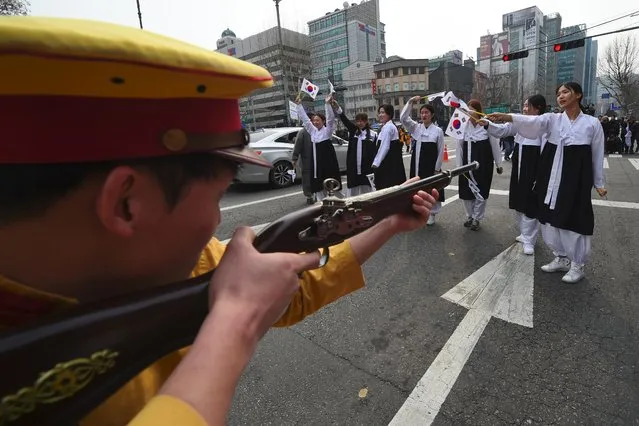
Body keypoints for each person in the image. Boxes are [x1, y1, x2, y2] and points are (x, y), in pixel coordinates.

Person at [0, 16, 439, 425]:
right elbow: (246, 300)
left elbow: (293, 285)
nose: (217, 222)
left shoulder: (167, 261)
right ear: (126, 204)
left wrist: (388, 221)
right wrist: (235, 326)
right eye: (215, 197)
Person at [487, 82, 607, 283]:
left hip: (575, 179)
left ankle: (577, 265)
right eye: (558, 93)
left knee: (573, 219)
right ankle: (560, 257)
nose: (561, 96)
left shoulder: (592, 124)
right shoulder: (553, 119)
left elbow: (597, 153)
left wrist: (599, 182)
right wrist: (508, 117)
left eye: (565, 92)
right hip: (551, 176)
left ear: (578, 95)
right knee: (548, 218)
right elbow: (532, 123)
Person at [481, 95, 547, 255]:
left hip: (534, 164)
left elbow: (546, 151)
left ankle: (530, 239)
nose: (524, 109)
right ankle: (525, 234)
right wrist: (487, 124)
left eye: (527, 106)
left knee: (531, 202)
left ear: (537, 108)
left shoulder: (544, 124)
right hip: (519, 164)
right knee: (518, 199)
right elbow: (502, 130)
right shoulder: (519, 123)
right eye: (524, 106)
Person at [457, 100, 504, 231]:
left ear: (477, 110)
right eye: (467, 109)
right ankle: (470, 216)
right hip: (466, 165)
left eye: (471, 108)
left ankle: (477, 218)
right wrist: (458, 167)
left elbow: (495, 145)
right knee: (466, 193)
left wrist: (498, 164)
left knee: (481, 192)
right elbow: (459, 147)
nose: (468, 111)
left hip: (484, 164)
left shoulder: (486, 125)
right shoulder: (462, 125)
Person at [400, 97, 446, 225]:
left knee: (432, 189)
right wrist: (410, 102)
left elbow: (440, 150)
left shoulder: (438, 131)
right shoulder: (416, 128)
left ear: (432, 115)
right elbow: (403, 118)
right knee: (417, 188)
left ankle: (432, 214)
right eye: (422, 112)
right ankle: (419, 211)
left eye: (426, 112)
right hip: (418, 164)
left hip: (431, 166)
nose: (424, 115)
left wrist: (437, 168)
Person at [294, 97, 341, 201]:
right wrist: (299, 105)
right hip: (316, 164)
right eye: (314, 120)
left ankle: (338, 202)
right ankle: (321, 204)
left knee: (331, 185)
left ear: (323, 121)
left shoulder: (327, 131)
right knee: (318, 186)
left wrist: (327, 104)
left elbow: (330, 119)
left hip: (327, 163)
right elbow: (306, 121)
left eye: (318, 120)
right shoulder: (313, 131)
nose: (315, 122)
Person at [331, 100, 378, 196]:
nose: (360, 123)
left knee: (368, 192)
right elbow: (345, 120)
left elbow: (375, 152)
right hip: (354, 168)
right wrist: (337, 107)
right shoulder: (353, 132)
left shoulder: (373, 135)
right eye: (358, 121)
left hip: (367, 168)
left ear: (366, 121)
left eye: (362, 121)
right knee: (353, 192)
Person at [372, 104, 407, 189]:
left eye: (383, 112)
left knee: (387, 187)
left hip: (388, 164)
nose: (380, 115)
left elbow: (385, 146)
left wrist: (376, 163)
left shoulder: (388, 127)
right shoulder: (386, 126)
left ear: (389, 114)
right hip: (390, 163)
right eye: (379, 113)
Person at [292, 115, 316, 204]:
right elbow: (297, 146)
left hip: (316, 160)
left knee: (314, 178)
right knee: (307, 179)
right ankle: (309, 196)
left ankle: (316, 194)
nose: (315, 122)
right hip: (307, 160)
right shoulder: (303, 132)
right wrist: (294, 158)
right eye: (313, 120)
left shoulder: (317, 130)